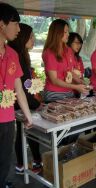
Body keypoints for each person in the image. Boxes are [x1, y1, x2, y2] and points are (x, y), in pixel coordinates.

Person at [0, 3, 32, 188]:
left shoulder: (12, 54)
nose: (19, 29)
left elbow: (18, 88)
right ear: (2, 24)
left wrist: (28, 116)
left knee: (5, 157)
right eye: (16, 23)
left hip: (7, 117)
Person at [8, 23, 42, 175]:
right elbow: (20, 88)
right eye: (30, 37)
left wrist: (34, 84)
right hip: (19, 104)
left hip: (22, 103)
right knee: (27, 132)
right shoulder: (16, 56)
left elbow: (25, 82)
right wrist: (36, 103)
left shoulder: (21, 55)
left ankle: (27, 163)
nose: (33, 39)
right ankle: (29, 162)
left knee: (24, 133)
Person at [42, 19, 87, 103]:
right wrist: (76, 87)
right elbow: (54, 80)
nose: (68, 34)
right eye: (65, 32)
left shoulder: (68, 50)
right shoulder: (49, 53)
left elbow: (69, 71)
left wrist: (80, 81)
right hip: (54, 94)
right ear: (57, 33)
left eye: (68, 32)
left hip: (68, 92)